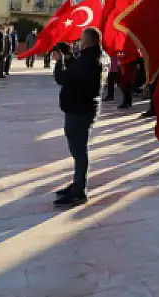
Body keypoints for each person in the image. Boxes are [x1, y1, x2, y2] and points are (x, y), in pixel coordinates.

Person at [52, 27, 106, 207]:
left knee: (79, 150)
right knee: (77, 149)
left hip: (80, 110)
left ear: (88, 41)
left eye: (82, 38)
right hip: (80, 107)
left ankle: (80, 190)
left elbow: (64, 78)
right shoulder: (91, 57)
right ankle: (77, 184)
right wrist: (68, 57)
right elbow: (78, 70)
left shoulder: (90, 59)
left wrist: (59, 62)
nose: (79, 41)